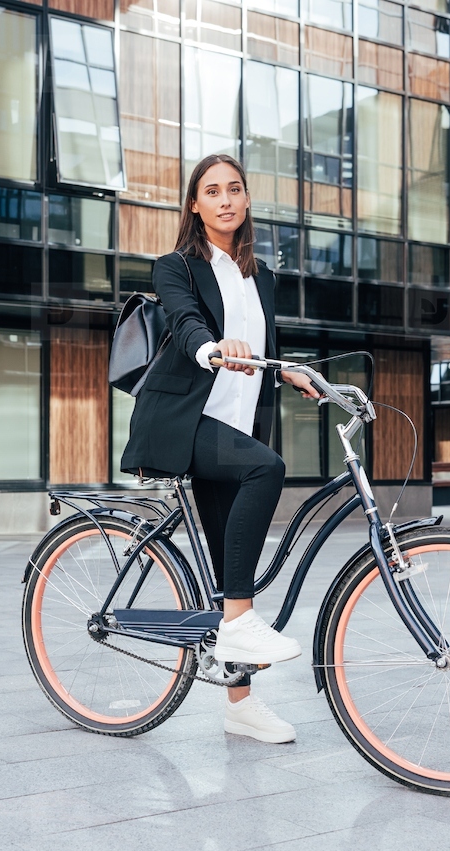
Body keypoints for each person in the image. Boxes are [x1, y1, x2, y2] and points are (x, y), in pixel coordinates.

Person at [121, 154, 320, 744]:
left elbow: (261, 347)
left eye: (235, 188)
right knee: (269, 472)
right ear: (195, 205)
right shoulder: (176, 266)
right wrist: (210, 347)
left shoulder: (261, 276)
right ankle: (238, 622)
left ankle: (239, 704)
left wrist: (289, 370)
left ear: (247, 200)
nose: (226, 199)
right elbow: (185, 324)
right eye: (213, 191)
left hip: (235, 425)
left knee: (229, 564)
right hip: (184, 421)